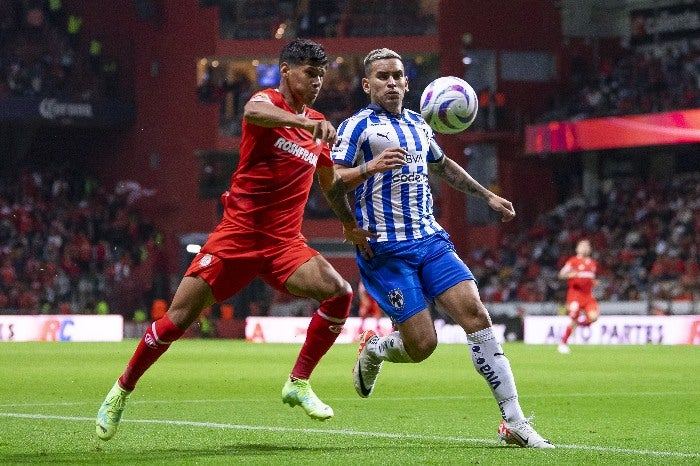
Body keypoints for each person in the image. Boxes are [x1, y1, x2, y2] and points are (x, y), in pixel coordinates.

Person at [95, 39, 375, 441]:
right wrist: (303, 124)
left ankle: (298, 381)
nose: (316, 82)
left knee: (339, 292)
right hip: (237, 237)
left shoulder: (318, 124)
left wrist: (359, 192)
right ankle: (121, 390)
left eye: (321, 75)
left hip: (284, 244)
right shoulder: (268, 105)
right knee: (176, 321)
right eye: (309, 74)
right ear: (286, 71)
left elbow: (332, 184)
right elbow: (252, 111)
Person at [331, 48, 554, 448]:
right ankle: (378, 347)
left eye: (398, 75)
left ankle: (514, 422)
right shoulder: (356, 128)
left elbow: (444, 165)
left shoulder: (420, 125)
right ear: (367, 85)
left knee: (476, 316)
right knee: (423, 346)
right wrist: (369, 169)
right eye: (382, 77)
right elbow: (330, 181)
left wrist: (487, 196)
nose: (393, 82)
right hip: (386, 252)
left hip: (430, 240)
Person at [557, 239, 599, 354]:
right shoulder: (573, 261)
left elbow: (588, 278)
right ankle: (563, 343)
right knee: (573, 319)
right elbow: (561, 274)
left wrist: (593, 282)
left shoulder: (593, 263)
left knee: (594, 317)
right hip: (575, 295)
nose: (585, 248)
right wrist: (570, 274)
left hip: (588, 296)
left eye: (587, 246)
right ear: (577, 249)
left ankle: (578, 325)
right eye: (582, 246)